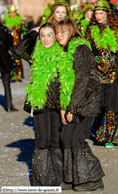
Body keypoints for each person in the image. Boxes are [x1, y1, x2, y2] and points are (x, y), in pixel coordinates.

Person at [55, 19, 105, 192]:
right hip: (73, 103)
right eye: (57, 32)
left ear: (72, 32)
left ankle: (93, 177)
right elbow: (64, 84)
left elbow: (82, 81)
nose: (59, 35)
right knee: (66, 138)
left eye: (63, 32)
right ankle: (72, 177)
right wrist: (63, 106)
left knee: (76, 138)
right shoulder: (63, 51)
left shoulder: (80, 49)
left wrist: (72, 108)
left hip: (86, 102)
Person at [25, 22, 75, 186]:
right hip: (40, 103)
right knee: (41, 140)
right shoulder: (35, 54)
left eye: (49, 35)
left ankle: (56, 177)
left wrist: (65, 107)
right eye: (43, 36)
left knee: (55, 140)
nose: (46, 39)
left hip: (56, 105)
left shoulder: (62, 53)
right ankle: (42, 179)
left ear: (56, 37)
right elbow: (18, 49)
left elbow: (67, 82)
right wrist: (34, 33)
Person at [86, 0, 118, 148]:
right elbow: (86, 52)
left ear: (107, 14)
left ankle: (109, 137)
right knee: (100, 104)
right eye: (96, 13)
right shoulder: (90, 31)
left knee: (111, 105)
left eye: (101, 13)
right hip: (96, 73)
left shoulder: (116, 30)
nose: (98, 16)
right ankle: (99, 132)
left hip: (112, 74)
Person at [4, 4, 26, 81]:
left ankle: (19, 74)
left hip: (18, 43)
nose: (11, 14)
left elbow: (24, 30)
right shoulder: (6, 20)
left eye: (13, 13)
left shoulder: (19, 20)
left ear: (16, 13)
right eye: (10, 12)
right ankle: (13, 75)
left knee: (17, 59)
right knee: (12, 58)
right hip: (9, 43)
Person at [0, 22, 18, 112]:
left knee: (6, 81)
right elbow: (10, 41)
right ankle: (9, 105)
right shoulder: (3, 29)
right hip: (3, 57)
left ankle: (9, 105)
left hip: (3, 57)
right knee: (6, 82)